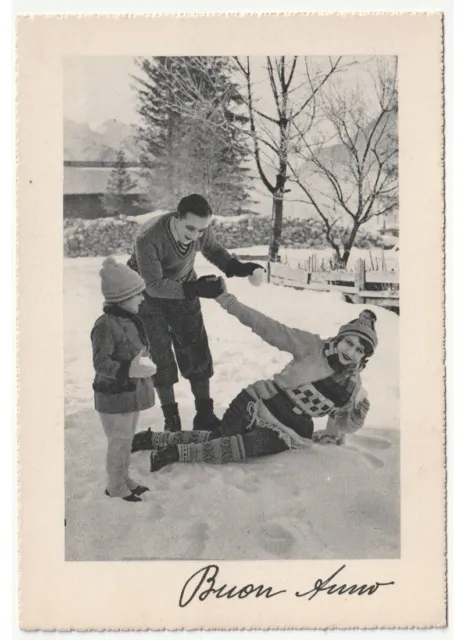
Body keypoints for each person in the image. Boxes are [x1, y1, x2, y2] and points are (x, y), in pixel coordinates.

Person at [130, 279, 377, 471]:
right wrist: (228, 301)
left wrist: (355, 417)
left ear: (363, 357)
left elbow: (343, 423)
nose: (351, 352)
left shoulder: (352, 387)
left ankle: (175, 453)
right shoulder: (312, 346)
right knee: (220, 437)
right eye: (350, 342)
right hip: (258, 402)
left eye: (359, 350)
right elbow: (267, 327)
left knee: (244, 447)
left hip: (290, 429)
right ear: (340, 337)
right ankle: (157, 440)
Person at [127, 193, 264, 433]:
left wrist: (237, 267)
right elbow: (154, 285)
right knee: (160, 354)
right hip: (146, 296)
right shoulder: (148, 237)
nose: (196, 236)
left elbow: (213, 250)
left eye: (202, 230)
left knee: (196, 348)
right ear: (177, 218)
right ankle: (172, 419)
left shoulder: (200, 228)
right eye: (190, 229)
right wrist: (195, 289)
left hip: (183, 287)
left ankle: (205, 414)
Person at [91, 256, 157, 502]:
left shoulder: (129, 320)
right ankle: (115, 486)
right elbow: (101, 363)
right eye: (137, 295)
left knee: (126, 441)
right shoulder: (105, 326)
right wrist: (129, 370)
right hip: (113, 395)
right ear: (121, 297)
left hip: (129, 394)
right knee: (118, 442)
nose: (142, 298)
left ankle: (123, 478)